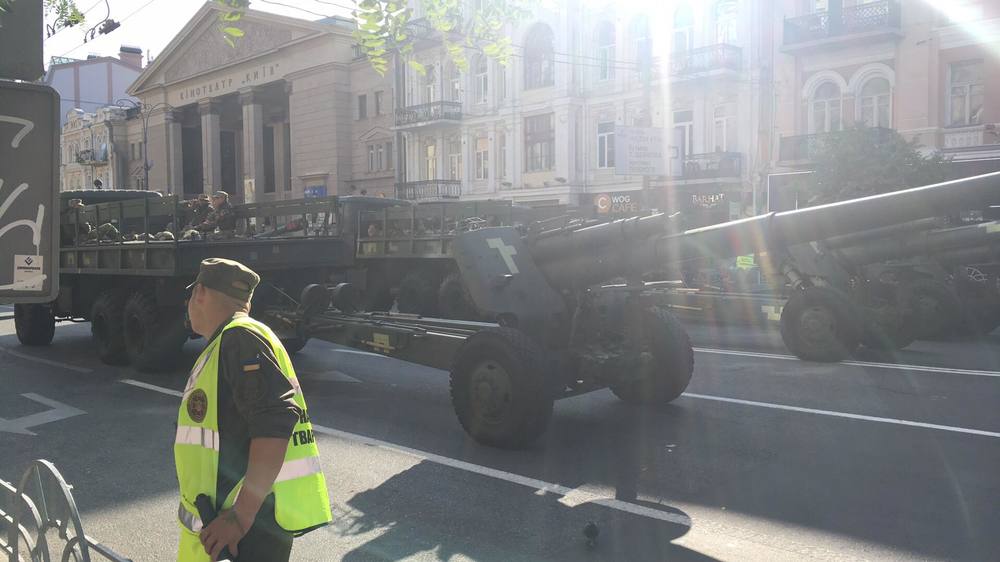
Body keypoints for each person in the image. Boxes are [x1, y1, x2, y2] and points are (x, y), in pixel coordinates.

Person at [177, 258, 332, 562]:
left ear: (200, 292)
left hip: (241, 537)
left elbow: (273, 423)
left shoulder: (240, 337)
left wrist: (240, 517)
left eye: (191, 295)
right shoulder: (232, 339)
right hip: (230, 532)